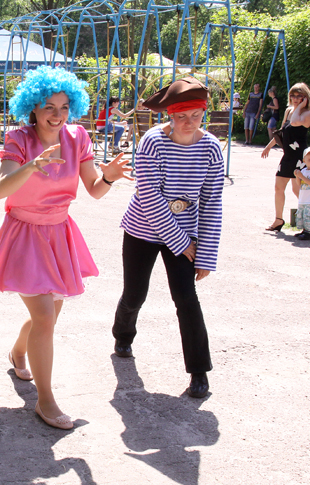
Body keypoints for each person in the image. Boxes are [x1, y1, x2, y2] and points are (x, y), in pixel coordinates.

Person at [0, 66, 132, 430]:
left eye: (64, 107)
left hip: (60, 234)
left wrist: (109, 177)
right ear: (33, 106)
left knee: (47, 316)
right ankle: (45, 400)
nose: (57, 114)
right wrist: (32, 166)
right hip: (25, 235)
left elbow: (94, 190)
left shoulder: (78, 136)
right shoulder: (18, 138)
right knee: (46, 317)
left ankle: (18, 351)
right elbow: (2, 190)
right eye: (48, 106)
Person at [111, 76, 225, 399]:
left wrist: (205, 255)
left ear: (204, 112)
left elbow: (212, 202)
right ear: (170, 115)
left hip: (185, 233)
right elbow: (149, 196)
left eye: (195, 115)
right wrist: (181, 242)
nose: (188, 123)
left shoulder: (211, 148)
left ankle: (199, 371)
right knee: (135, 293)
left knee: (186, 298)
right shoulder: (152, 142)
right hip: (143, 228)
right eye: (181, 116)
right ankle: (123, 334)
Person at [260, 82, 310, 231]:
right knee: (278, 187)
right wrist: (268, 147)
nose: (295, 99)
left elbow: (295, 122)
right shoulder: (288, 111)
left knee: (297, 189)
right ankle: (278, 220)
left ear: (305, 98)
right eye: (293, 96)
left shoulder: (306, 114)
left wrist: (299, 107)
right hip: (288, 155)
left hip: (300, 157)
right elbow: (282, 131)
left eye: (299, 96)